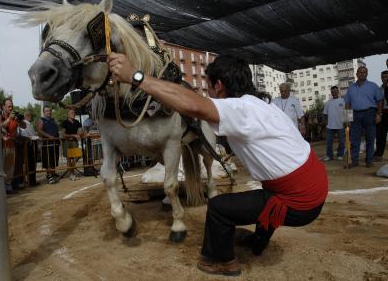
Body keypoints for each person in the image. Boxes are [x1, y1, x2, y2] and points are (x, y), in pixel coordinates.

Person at [107, 53, 328, 276]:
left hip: (300, 201)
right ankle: (257, 242)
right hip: (312, 188)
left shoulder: (240, 109)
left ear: (219, 85)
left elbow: (192, 106)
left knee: (219, 208)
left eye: (208, 88)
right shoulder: (260, 106)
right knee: (267, 193)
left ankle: (223, 261)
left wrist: (135, 76)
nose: (208, 94)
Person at [344, 66, 383, 167]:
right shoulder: (351, 88)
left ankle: (369, 160)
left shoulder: (373, 86)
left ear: (367, 74)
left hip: (370, 113)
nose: (362, 74)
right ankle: (354, 161)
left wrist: (379, 114)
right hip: (355, 114)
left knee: (370, 137)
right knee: (354, 138)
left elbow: (380, 100)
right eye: (360, 72)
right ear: (356, 74)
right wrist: (347, 118)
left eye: (364, 72)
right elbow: (347, 103)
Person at [0, 98, 22, 194]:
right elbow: (0, 126)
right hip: (2, 145)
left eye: (11, 106)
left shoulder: (13, 117)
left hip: (12, 144)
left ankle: (8, 186)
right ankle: (1, 187)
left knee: (10, 167)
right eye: (9, 106)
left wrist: (20, 120)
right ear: (3, 106)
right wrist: (9, 119)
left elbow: (24, 126)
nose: (10, 108)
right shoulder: (0, 115)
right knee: (2, 166)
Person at [37, 106, 60, 184]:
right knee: (48, 161)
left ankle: (53, 173)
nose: (49, 112)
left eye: (50, 110)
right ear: (44, 112)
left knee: (53, 160)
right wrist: (49, 136)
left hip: (55, 144)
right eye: (47, 111)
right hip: (47, 144)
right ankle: (49, 175)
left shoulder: (53, 120)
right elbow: (39, 130)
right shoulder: (41, 120)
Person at [323, 86, 345, 161]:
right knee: (329, 142)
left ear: (338, 92)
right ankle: (329, 156)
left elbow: (347, 112)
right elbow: (325, 115)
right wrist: (326, 124)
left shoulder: (343, 101)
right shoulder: (327, 103)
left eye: (335, 91)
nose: (334, 93)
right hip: (330, 126)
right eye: (332, 92)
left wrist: (348, 123)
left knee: (342, 142)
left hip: (341, 125)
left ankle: (340, 154)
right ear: (331, 93)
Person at [60, 108, 82, 181]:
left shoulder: (77, 122)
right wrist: (73, 135)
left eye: (74, 113)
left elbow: (80, 131)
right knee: (69, 158)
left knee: (77, 156)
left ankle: (72, 170)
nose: (73, 114)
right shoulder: (65, 122)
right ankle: (71, 174)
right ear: (68, 114)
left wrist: (80, 134)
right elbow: (63, 134)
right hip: (67, 142)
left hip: (75, 142)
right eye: (72, 113)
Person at [19, 111, 39, 186]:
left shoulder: (30, 124)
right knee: (29, 163)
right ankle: (29, 180)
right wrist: (32, 138)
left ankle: (32, 180)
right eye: (27, 115)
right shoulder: (24, 123)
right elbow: (25, 134)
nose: (29, 116)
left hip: (32, 144)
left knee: (32, 163)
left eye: (30, 115)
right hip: (28, 145)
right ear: (25, 116)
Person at [373, 70, 388, 162]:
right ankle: (378, 155)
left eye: (386, 76)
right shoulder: (379, 89)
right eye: (383, 77)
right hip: (383, 113)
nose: (385, 78)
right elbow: (376, 103)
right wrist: (378, 114)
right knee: (380, 136)